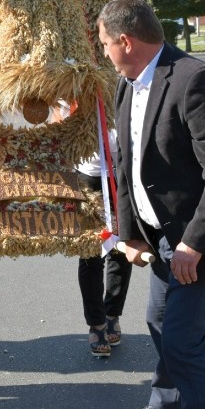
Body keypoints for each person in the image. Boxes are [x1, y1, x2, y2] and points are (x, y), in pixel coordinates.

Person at [100, 0, 205, 409]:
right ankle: (166, 405)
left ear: (125, 41)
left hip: (200, 242)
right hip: (160, 239)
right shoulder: (127, 82)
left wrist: (195, 243)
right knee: (159, 324)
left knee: (182, 341)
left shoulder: (196, 80)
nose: (102, 52)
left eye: (104, 43)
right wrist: (129, 234)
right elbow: (125, 165)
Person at [76, 151, 132, 358]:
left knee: (122, 249)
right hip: (89, 175)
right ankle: (96, 324)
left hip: (124, 173)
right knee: (91, 253)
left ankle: (112, 314)